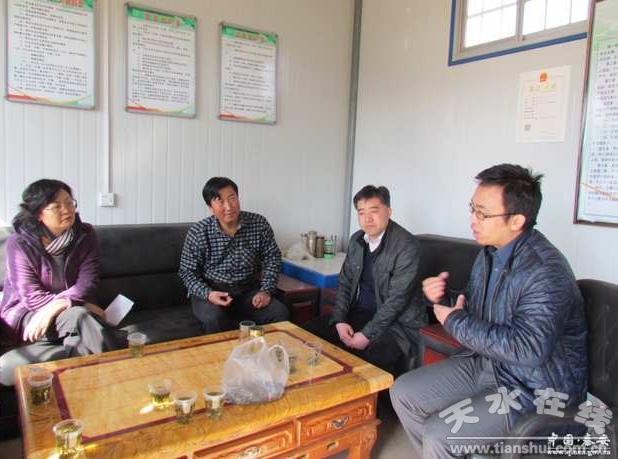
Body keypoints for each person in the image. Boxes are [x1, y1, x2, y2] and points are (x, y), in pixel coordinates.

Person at [390, 164, 587, 458]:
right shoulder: (490, 253)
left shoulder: (545, 272)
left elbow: (529, 350)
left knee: (440, 435)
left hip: (533, 388)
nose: (472, 219)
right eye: (472, 208)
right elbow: (473, 304)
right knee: (404, 392)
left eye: (482, 213)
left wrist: (456, 321)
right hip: (490, 364)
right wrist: (443, 298)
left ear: (516, 220)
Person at [305, 185, 426, 375]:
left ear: (389, 211)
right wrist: (339, 320)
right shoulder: (357, 240)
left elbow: (397, 301)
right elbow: (345, 283)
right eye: (361, 212)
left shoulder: (406, 246)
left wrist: (367, 335)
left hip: (398, 325)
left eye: (374, 211)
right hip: (363, 313)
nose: (367, 218)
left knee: (369, 359)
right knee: (308, 333)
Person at [0, 179, 114, 356]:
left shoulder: (84, 234)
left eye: (69, 202)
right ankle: (121, 367)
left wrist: (61, 305)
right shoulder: (19, 244)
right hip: (31, 315)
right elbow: (32, 298)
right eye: (56, 206)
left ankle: (97, 372)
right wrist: (78, 304)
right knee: (81, 317)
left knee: (80, 341)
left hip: (71, 311)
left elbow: (88, 281)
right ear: (38, 214)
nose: (67, 210)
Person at [179, 177, 289, 333]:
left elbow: (273, 258)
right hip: (212, 289)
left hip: (248, 290)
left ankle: (263, 349)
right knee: (215, 318)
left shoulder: (259, 223)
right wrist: (208, 294)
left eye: (232, 198)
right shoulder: (198, 232)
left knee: (279, 313)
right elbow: (187, 272)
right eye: (220, 201)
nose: (229, 206)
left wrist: (266, 290)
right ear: (210, 207)